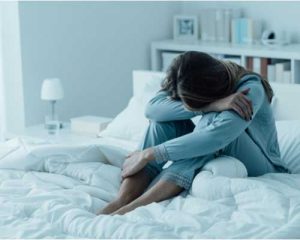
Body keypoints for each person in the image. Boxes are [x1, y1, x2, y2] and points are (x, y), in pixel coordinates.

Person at [98, 51, 288, 215]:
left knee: (210, 125)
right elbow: (152, 109)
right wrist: (209, 106)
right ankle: (120, 201)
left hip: (264, 166)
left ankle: (132, 208)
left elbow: (215, 137)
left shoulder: (249, 89)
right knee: (161, 123)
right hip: (216, 130)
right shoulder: (189, 73)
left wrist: (149, 153)